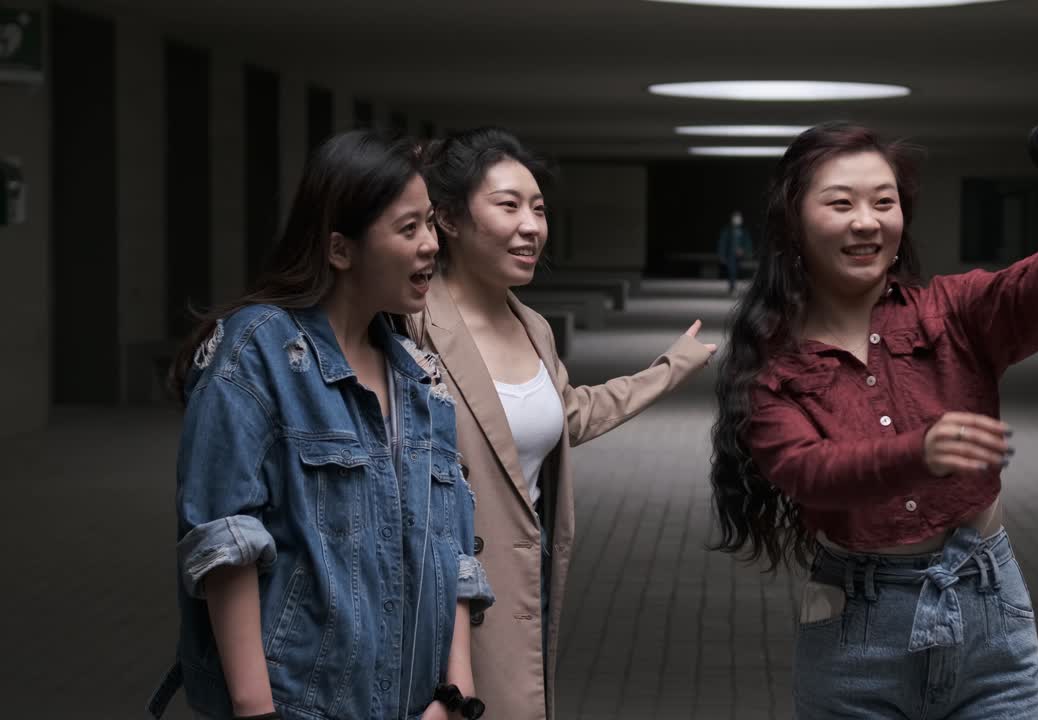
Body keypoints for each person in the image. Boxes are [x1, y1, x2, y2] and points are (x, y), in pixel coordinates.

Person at [709, 118, 1038, 719]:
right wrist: (917, 453)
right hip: (855, 634)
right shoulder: (772, 363)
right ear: (793, 222)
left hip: (989, 615)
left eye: (884, 202)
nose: (867, 221)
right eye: (841, 203)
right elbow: (807, 471)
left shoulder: (953, 312)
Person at [149, 130, 494, 720]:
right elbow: (225, 546)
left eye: (431, 224)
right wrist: (257, 711)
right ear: (340, 249)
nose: (431, 245)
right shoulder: (258, 351)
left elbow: (454, 552)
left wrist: (454, 701)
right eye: (408, 228)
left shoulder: (420, 376)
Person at [409, 127, 716, 720]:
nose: (532, 226)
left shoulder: (533, 327)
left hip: (528, 577)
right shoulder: (412, 326)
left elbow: (567, 415)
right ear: (447, 219)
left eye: (539, 209)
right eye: (509, 206)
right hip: (439, 594)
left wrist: (668, 371)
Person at [717, 210, 753, 293]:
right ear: (732, 219)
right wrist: (722, 255)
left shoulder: (744, 231)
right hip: (731, 255)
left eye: (739, 218)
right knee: (732, 270)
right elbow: (722, 243)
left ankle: (738, 287)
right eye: (736, 218)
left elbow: (748, 243)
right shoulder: (727, 230)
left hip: (741, 255)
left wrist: (745, 251)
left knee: (738, 270)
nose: (737, 220)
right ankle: (732, 287)